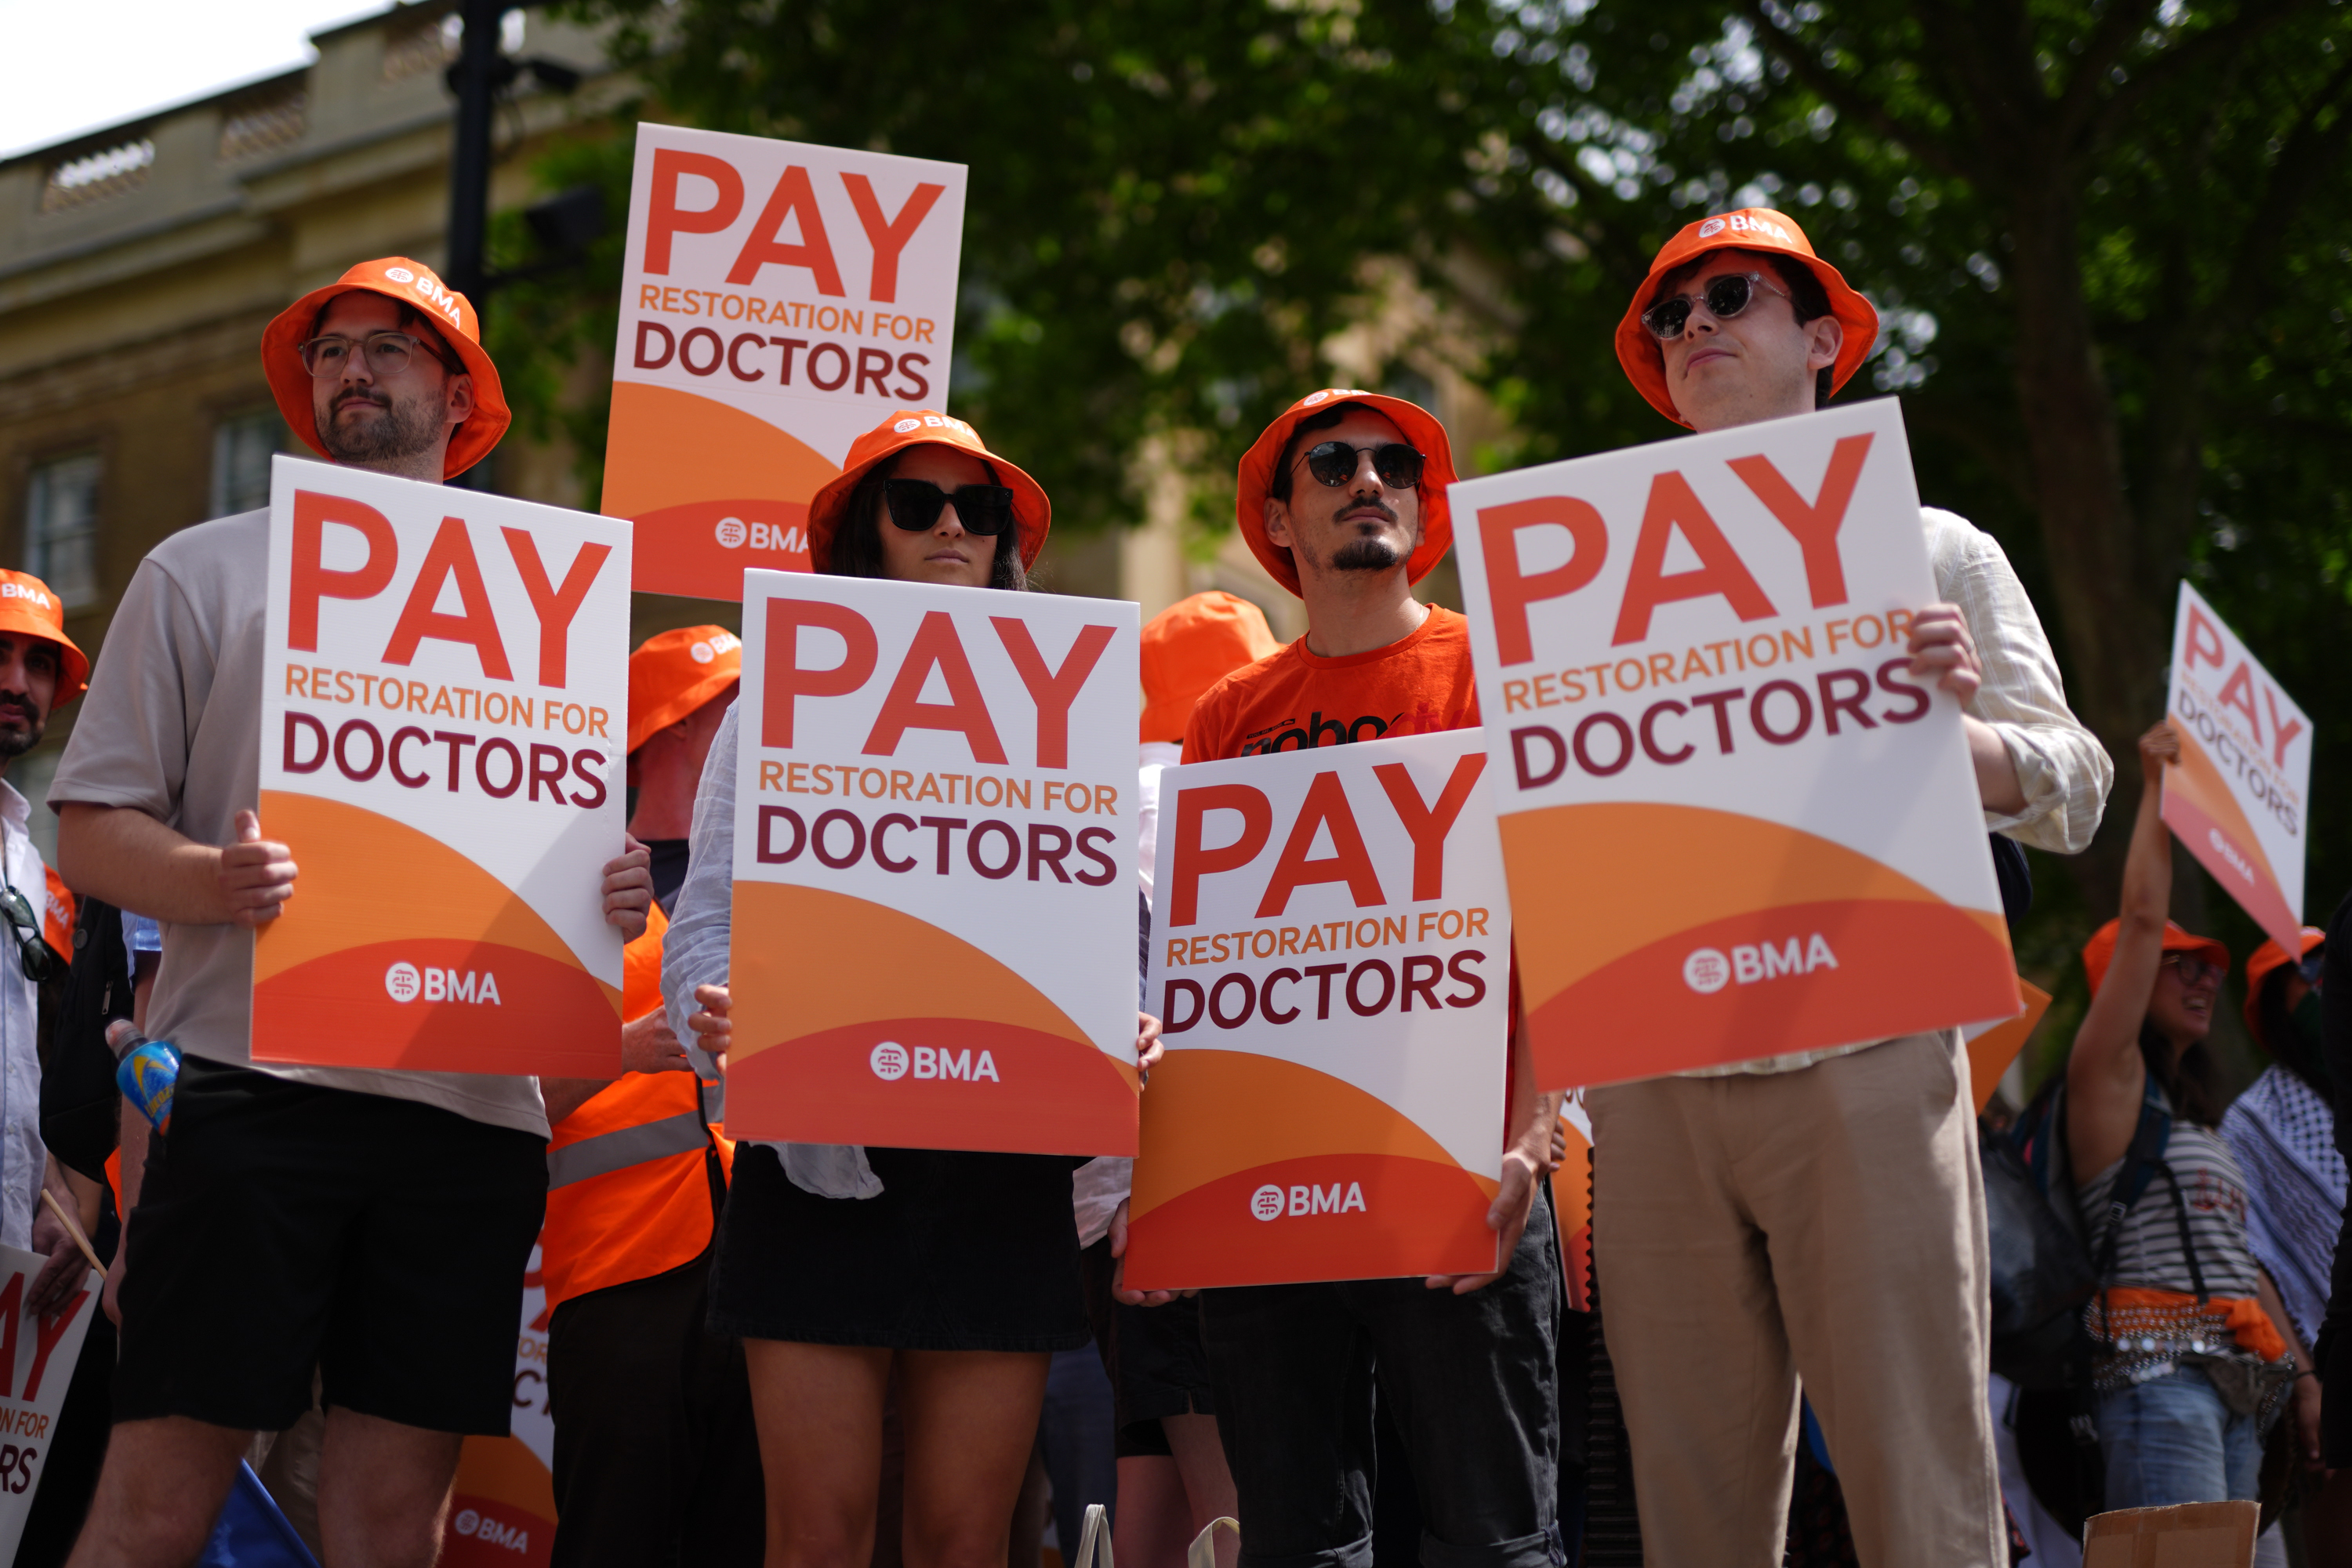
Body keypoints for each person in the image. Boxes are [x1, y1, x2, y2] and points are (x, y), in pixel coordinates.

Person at [48, 256, 652, 1568]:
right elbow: (88, 825)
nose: (354, 369)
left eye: (389, 346)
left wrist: (611, 891)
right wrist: (213, 880)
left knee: (396, 1527)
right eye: (330, 351)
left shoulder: (547, 602)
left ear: (457, 388)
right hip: (254, 1092)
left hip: (471, 1122)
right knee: (160, 1497)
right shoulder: (202, 571)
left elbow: (555, 859)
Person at [1587, 209, 2114, 1568]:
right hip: (1652, 1076)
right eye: (1671, 313)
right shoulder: (1581, 581)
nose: (1694, 323)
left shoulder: (1933, 546)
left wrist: (1962, 733)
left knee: (1920, 1487)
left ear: (1822, 338)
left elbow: (2077, 778)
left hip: (1868, 1047)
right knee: (1692, 1516)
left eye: (1732, 295)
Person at [662, 408, 1166, 1568]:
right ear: (864, 534)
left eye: (978, 508)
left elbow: (1100, 934)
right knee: (817, 1537)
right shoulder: (770, 703)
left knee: (964, 1538)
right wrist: (717, 1019)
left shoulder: (1069, 711)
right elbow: (706, 935)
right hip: (815, 1170)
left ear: (1005, 541)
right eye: (918, 503)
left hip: (1000, 1173)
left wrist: (1118, 1027)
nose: (951, 525)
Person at [1134, 386, 1567, 1568]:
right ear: (1281, 520)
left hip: (1462, 1174)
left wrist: (1531, 1138)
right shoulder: (1229, 716)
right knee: (1301, 1547)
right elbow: (1199, 965)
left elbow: (1562, 927)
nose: (1369, 480)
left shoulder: (1501, 668)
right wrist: (1174, 1182)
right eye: (1334, 463)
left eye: (1395, 466)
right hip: (1272, 1194)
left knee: (1497, 1542)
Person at [534, 626, 761, 1566]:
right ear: (671, 731)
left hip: (763, 1269)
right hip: (617, 1276)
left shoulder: (789, 878)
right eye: (734, 710)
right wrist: (623, 1049)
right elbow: (497, 1095)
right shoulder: (563, 882)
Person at [1075, 592, 1274, 1568]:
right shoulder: (1239, 802)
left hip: (1128, 1218)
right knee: (1238, 1519)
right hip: (1216, 1210)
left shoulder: (1101, 808)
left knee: (1147, 1514)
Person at [2066, 721, 2304, 1504]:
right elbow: (2140, 917)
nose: (2204, 979)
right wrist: (2158, 787)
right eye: (2181, 967)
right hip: (2159, 1383)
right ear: (2129, 983)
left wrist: (2303, 1381)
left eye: (2211, 968)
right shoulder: (2105, 1080)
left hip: (2239, 1393)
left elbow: (2237, 1258)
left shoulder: (2198, 1121)